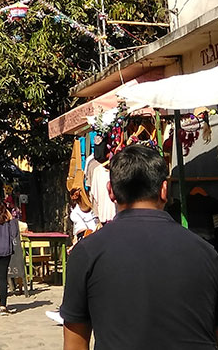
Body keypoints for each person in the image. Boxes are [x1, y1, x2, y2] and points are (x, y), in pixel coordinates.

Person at [60, 145, 218, 350]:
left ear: (111, 192)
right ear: (164, 189)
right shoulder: (207, 253)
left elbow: (74, 343)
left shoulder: (87, 252)